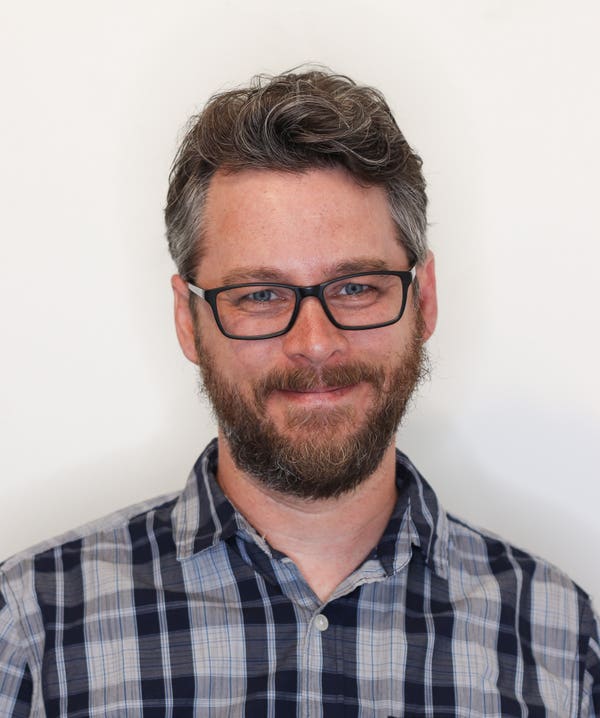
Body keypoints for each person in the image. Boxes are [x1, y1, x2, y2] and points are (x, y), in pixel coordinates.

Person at [1, 69, 598, 717]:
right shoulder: (32, 628)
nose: (315, 343)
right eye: (260, 294)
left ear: (423, 299)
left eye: (356, 287)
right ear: (188, 320)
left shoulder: (558, 637)